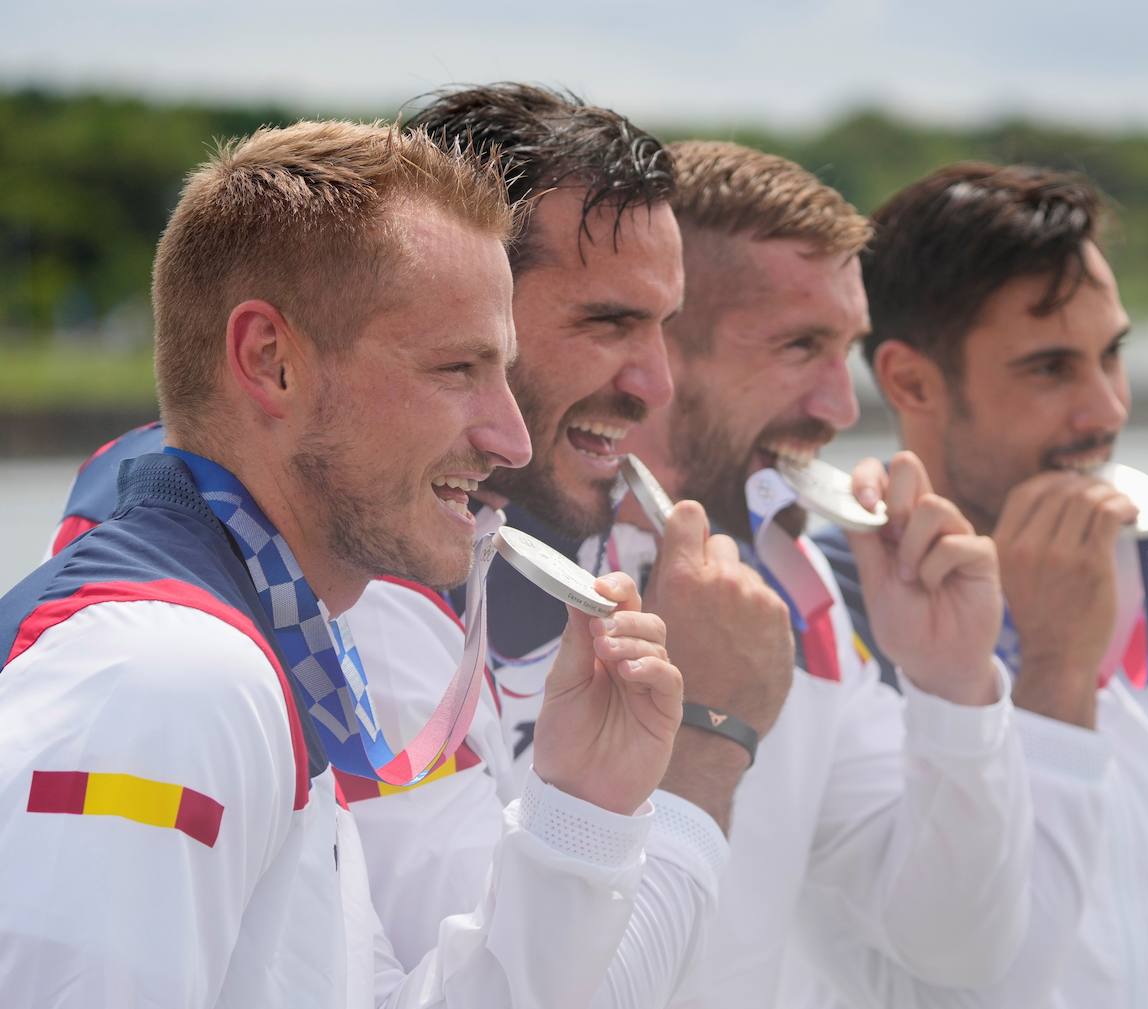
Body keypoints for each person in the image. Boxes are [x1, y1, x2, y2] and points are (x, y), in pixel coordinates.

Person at [44, 86, 798, 1008]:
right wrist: (706, 749)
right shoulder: (169, 680)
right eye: (458, 369)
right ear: (270, 361)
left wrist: (581, 809)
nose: (509, 438)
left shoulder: (261, 647)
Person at [809, 161, 1148, 1008]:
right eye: (1050, 369)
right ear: (910, 381)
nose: (1105, 409)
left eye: (1112, 355)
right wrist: (1057, 678)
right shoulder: (831, 610)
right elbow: (966, 979)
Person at [605, 140, 1034, 1007]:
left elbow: (957, 946)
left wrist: (953, 687)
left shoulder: (798, 589)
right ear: (657, 350)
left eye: (847, 350)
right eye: (801, 346)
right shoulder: (501, 584)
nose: (842, 408)